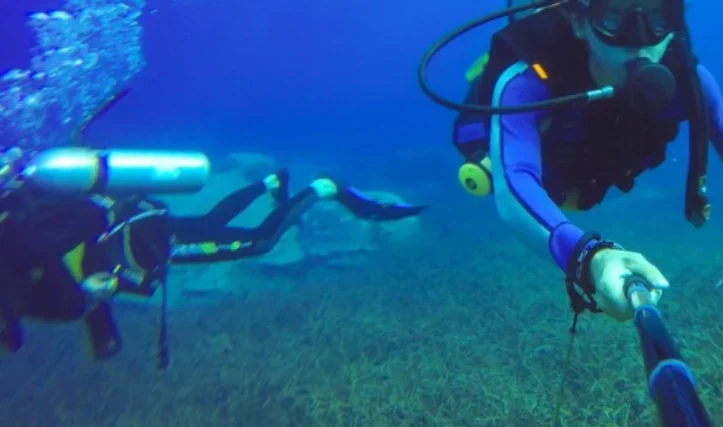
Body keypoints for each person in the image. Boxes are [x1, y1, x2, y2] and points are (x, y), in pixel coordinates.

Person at [421, 0, 723, 323]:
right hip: (556, 171)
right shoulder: (528, 83)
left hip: (598, 168)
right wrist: (590, 258)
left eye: (656, 16)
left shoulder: (690, 81)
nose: (640, 39)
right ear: (578, 20)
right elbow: (516, 184)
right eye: (614, 16)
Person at [0, 150, 425, 366]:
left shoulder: (15, 254)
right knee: (204, 224)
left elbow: (45, 311)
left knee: (258, 242)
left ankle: (321, 189)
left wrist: (96, 294)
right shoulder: (17, 226)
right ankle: (269, 182)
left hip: (140, 244)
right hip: (135, 223)